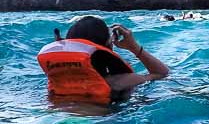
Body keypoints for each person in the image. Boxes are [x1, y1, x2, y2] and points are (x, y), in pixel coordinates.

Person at [38, 15, 169, 103]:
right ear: (105, 49)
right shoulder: (119, 82)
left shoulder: (59, 84)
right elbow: (162, 74)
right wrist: (133, 47)